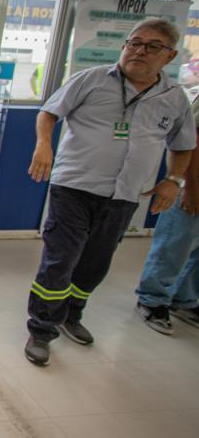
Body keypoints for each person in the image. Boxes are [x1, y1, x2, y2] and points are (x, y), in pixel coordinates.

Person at [26, 18, 194, 366]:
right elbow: (49, 111)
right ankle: (42, 329)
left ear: (170, 55)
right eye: (134, 43)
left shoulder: (174, 98)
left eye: (151, 46)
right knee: (60, 260)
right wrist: (44, 145)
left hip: (125, 195)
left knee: (95, 264)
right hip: (73, 186)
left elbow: (183, 145)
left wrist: (173, 180)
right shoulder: (91, 79)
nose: (138, 51)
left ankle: (72, 314)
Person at [135, 90, 199, 334]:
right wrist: (191, 187)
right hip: (193, 186)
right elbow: (192, 141)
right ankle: (152, 299)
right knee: (176, 244)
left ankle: (185, 300)